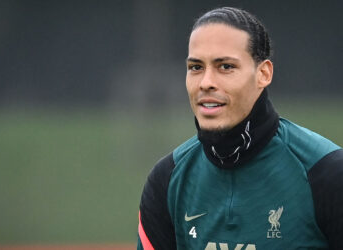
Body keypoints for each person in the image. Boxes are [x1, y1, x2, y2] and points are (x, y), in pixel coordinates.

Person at [137, 7, 343, 250]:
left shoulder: (327, 173)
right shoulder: (167, 180)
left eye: (225, 67)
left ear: (263, 74)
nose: (206, 83)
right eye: (196, 67)